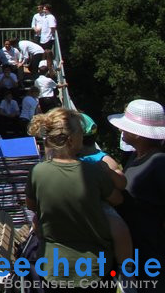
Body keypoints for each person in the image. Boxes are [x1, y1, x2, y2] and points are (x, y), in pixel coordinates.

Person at [26, 107, 119, 286]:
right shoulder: (93, 171)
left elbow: (31, 205)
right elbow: (117, 199)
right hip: (94, 267)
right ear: (71, 140)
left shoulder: (37, 172)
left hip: (52, 266)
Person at [108, 99, 165, 275]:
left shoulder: (159, 163)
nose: (120, 129)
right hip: (137, 250)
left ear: (138, 134)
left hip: (154, 255)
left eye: (126, 126)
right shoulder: (134, 157)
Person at [76, 112, 132, 266]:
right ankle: (126, 267)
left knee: (119, 230)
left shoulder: (100, 159)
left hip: (97, 203)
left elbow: (118, 183)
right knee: (120, 231)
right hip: (94, 204)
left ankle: (125, 267)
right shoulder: (103, 158)